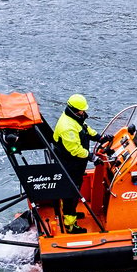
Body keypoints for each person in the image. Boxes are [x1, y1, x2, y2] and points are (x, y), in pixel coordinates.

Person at [52, 94, 109, 233]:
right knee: (71, 193)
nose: (83, 113)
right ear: (73, 109)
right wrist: (92, 157)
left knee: (74, 191)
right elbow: (75, 150)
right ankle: (70, 225)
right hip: (69, 164)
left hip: (75, 164)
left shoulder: (74, 119)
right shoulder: (67, 127)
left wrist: (100, 138)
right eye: (81, 111)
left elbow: (85, 129)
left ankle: (69, 213)